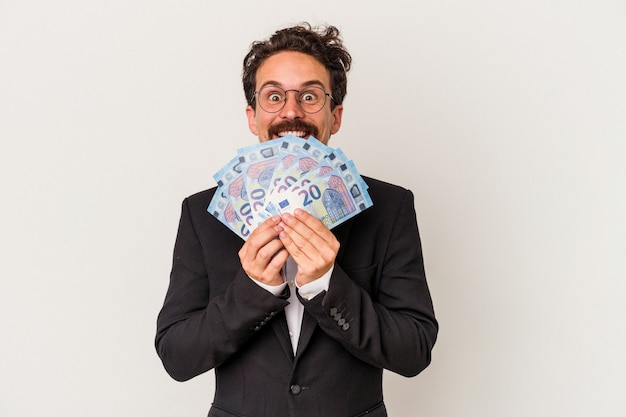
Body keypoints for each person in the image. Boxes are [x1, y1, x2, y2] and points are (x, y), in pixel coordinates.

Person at [155, 23, 438, 417]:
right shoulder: (204, 215)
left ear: (334, 116)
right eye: (274, 96)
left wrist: (326, 284)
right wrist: (255, 289)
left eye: (309, 96)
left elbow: (414, 351)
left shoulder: (388, 208)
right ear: (252, 117)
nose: (291, 111)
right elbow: (177, 357)